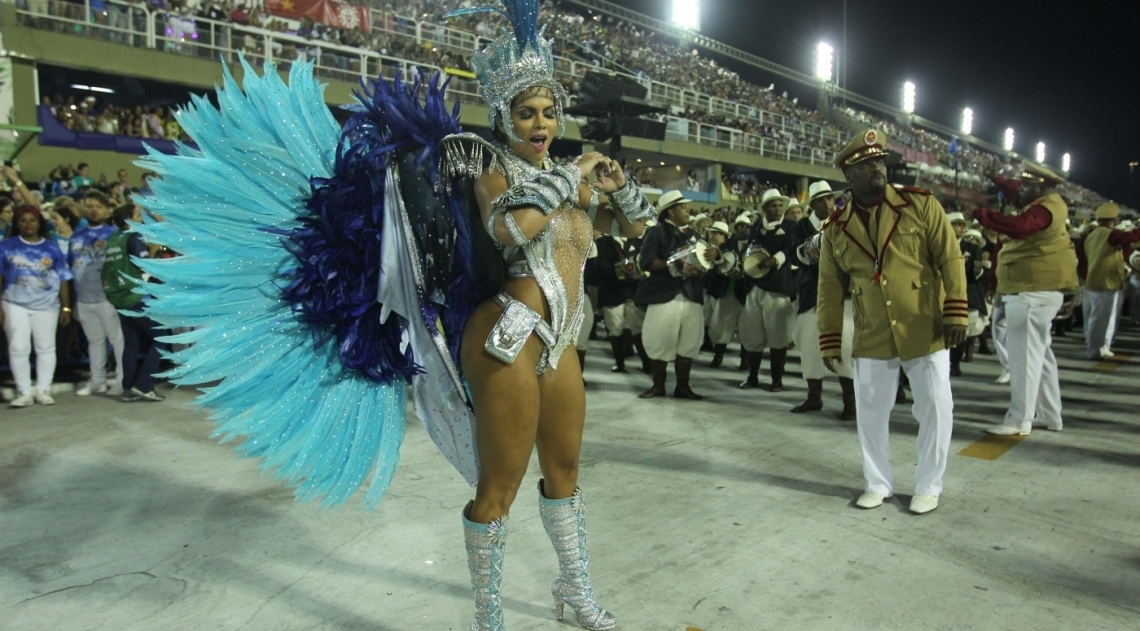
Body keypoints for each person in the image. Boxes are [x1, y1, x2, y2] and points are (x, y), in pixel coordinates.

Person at [134, 3, 657, 628]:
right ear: (502, 116)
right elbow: (512, 229)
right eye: (526, 112)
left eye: (548, 112)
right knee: (500, 486)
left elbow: (635, 225)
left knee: (566, 474)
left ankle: (573, 591)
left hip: (562, 341)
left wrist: (617, 183)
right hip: (509, 336)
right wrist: (569, 177)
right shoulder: (486, 163)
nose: (540, 123)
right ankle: (488, 620)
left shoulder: (570, 181)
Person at [817, 129, 968, 515]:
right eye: (867, 165)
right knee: (870, 412)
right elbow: (830, 288)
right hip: (872, 330)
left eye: (880, 161)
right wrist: (830, 338)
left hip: (924, 323)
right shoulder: (835, 227)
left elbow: (950, 258)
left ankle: (928, 485)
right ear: (848, 176)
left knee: (936, 406)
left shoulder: (920, 204)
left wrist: (955, 308)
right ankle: (877, 482)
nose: (877, 168)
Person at [973, 162, 1078, 435]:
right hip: (1036, 290)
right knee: (1040, 359)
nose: (1020, 189)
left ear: (1041, 188)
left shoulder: (1045, 208)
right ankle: (1050, 415)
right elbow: (1016, 195)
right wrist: (997, 179)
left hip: (1033, 290)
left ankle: (1019, 419)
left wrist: (984, 215)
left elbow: (1021, 227)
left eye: (1027, 185)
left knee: (1024, 361)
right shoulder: (1046, 202)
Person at [789, 181, 855, 419]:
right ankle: (813, 397)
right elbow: (794, 255)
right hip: (812, 294)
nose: (827, 203)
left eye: (829, 198)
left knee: (845, 347)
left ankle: (850, 402)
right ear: (814, 204)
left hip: (842, 293)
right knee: (809, 347)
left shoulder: (846, 222)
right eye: (821, 200)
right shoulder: (802, 227)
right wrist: (813, 249)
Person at [636, 190, 711, 400]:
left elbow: (703, 262)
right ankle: (658, 385)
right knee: (658, 339)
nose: (688, 209)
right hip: (664, 294)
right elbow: (646, 262)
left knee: (690, 341)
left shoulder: (694, 235)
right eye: (683, 206)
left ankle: (682, 386)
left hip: (691, 295)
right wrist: (675, 263)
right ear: (670, 212)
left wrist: (712, 255)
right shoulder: (656, 233)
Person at [0, 206, 74, 407]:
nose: (28, 224)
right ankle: (24, 392)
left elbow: (64, 278)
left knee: (46, 347)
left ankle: (43, 390)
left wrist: (66, 307)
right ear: (16, 224)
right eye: (22, 220)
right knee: (18, 347)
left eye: (32, 220)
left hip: (47, 305)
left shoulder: (51, 247)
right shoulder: (6, 246)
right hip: (14, 303)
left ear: (39, 223)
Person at [101, 204, 166, 402]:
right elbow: (144, 266)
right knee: (162, 338)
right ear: (130, 218)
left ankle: (129, 387)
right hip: (136, 296)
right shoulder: (134, 236)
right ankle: (144, 385)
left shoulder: (113, 238)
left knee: (132, 343)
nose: (140, 217)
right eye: (137, 214)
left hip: (119, 297)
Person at [738, 187, 797, 392]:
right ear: (765, 208)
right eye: (773, 205)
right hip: (755, 286)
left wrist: (776, 259)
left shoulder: (791, 226)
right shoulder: (756, 227)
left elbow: (791, 249)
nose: (778, 208)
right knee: (753, 334)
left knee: (778, 335)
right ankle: (752, 376)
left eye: (780, 205)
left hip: (778, 287)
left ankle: (776, 380)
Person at [70, 191, 126, 397]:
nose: (94, 210)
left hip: (108, 297)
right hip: (84, 298)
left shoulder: (115, 234)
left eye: (98, 206)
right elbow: (72, 266)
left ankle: (121, 380)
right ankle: (97, 381)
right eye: (90, 206)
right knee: (95, 341)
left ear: (106, 210)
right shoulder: (75, 236)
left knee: (117, 340)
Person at [1078, 202, 1140, 359]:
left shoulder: (1092, 235)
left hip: (1095, 280)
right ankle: (1094, 349)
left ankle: (1098, 347)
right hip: (1105, 281)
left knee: (1098, 317)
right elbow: (1132, 237)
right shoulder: (1110, 234)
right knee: (1100, 318)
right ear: (1113, 219)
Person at [947, 212, 988, 376]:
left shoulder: (972, 248)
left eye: (963, 224)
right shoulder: (938, 243)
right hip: (942, 295)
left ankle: (955, 363)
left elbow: (977, 274)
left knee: (961, 334)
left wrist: (979, 269)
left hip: (967, 296)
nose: (962, 227)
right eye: (957, 224)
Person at [704, 220, 742, 368]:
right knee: (716, 323)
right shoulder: (709, 248)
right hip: (714, 291)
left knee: (722, 325)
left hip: (728, 291)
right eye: (711, 233)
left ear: (724, 236)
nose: (713, 236)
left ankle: (720, 355)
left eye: (716, 233)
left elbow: (730, 266)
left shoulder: (730, 250)